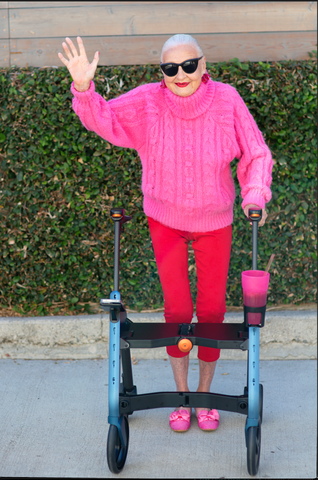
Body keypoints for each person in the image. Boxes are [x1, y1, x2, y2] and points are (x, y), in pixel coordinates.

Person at [58, 34, 273, 433]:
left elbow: (256, 151)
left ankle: (205, 399)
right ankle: (180, 397)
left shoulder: (226, 100)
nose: (180, 74)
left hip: (215, 221)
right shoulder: (147, 101)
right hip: (165, 220)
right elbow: (104, 117)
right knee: (176, 312)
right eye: (170, 68)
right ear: (162, 73)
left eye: (189, 65)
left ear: (203, 66)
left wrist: (255, 192)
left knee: (210, 313)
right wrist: (84, 88)